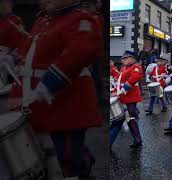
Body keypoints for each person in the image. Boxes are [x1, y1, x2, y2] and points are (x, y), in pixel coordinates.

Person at [9, 0, 103, 177]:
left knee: (67, 158)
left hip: (67, 105)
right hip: (44, 104)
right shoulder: (44, 20)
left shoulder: (81, 20)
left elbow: (80, 51)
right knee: (52, 153)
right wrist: (13, 58)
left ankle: (81, 169)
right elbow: (30, 48)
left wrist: (51, 81)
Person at [109, 50, 143, 148]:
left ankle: (138, 139)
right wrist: (114, 91)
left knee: (130, 118)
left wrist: (123, 90)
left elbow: (135, 78)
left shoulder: (135, 67)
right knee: (128, 119)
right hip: (122, 97)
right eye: (122, 58)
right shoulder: (123, 68)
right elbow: (119, 82)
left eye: (125, 58)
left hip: (131, 98)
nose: (122, 60)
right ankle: (137, 139)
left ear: (132, 58)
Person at [0, 0, 28, 87]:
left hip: (8, 55)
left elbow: (19, 46)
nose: (3, 5)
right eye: (1, 3)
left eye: (7, 2)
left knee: (6, 59)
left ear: (12, 4)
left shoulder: (15, 20)